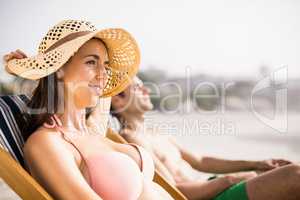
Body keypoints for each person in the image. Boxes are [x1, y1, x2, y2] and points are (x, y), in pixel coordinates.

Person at [3, 20, 174, 200]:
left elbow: (99, 92)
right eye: (91, 62)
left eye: (106, 65)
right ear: (59, 69)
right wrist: (41, 70)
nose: (104, 74)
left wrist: (36, 70)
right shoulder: (47, 143)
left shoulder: (93, 128)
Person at [110, 76, 300, 200]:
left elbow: (200, 161)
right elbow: (173, 190)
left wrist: (256, 164)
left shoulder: (155, 133)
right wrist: (231, 179)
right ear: (118, 99)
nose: (147, 91)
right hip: (203, 197)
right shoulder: (132, 141)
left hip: (212, 186)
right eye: (138, 88)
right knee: (294, 175)